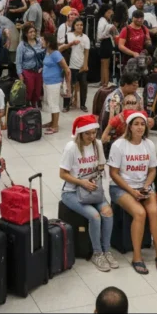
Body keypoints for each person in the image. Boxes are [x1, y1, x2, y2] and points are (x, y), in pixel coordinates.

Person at [108, 109, 157, 275]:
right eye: (136, 124)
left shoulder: (149, 144)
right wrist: (132, 192)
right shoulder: (119, 145)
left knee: (154, 211)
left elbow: (153, 170)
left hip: (144, 186)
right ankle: (137, 257)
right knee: (140, 213)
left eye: (142, 124)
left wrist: (147, 186)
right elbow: (113, 173)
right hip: (121, 187)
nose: (140, 127)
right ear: (130, 127)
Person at [59, 115, 117, 272]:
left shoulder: (97, 145)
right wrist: (82, 182)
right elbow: (63, 174)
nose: (91, 137)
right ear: (80, 134)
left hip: (92, 189)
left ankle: (106, 250)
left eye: (94, 133)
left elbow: (101, 167)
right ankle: (96, 253)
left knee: (108, 212)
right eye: (87, 134)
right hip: (71, 192)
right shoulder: (71, 148)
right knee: (95, 216)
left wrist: (94, 176)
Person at [42, 34, 72, 135]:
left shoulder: (56, 54)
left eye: (43, 40)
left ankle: (55, 126)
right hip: (47, 82)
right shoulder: (47, 52)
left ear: (48, 43)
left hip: (54, 83)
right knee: (50, 103)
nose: (41, 42)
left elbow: (66, 69)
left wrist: (68, 85)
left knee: (54, 104)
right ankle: (52, 122)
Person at [15, 25, 45, 108]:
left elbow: (45, 54)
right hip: (27, 71)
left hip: (39, 70)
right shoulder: (22, 45)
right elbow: (18, 61)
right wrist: (20, 74)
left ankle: (34, 104)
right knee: (29, 90)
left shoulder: (39, 42)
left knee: (37, 90)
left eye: (34, 32)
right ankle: (27, 105)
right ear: (25, 34)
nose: (33, 34)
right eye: (30, 32)